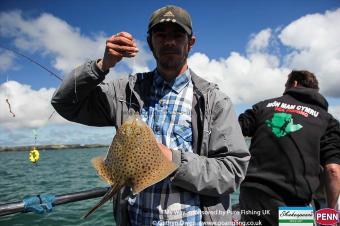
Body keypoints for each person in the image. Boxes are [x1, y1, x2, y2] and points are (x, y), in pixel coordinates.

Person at [51, 5, 250, 225]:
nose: (169, 41)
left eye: (177, 35)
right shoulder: (125, 90)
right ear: (150, 42)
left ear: (190, 42)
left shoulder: (214, 101)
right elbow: (65, 103)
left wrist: (172, 159)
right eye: (161, 35)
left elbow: (232, 172)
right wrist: (101, 66)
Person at [238, 70, 340, 225]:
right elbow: (333, 170)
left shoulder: (264, 106)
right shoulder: (326, 120)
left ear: (294, 83)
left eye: (285, 86)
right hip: (293, 203)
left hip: (251, 195)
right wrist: (331, 213)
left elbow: (232, 131)